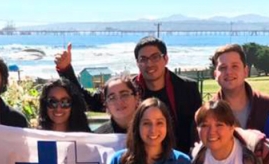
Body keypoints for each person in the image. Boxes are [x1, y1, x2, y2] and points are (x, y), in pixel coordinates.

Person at [54, 37, 202, 153]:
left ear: (166, 59)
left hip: (179, 160)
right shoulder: (128, 89)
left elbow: (197, 127)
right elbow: (89, 101)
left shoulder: (187, 88)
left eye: (155, 57)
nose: (149, 63)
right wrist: (65, 69)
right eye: (143, 59)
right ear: (137, 63)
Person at [208, 44, 269, 133]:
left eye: (235, 66)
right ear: (215, 75)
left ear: (245, 71)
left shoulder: (267, 105)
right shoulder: (208, 112)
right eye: (223, 67)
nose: (229, 72)